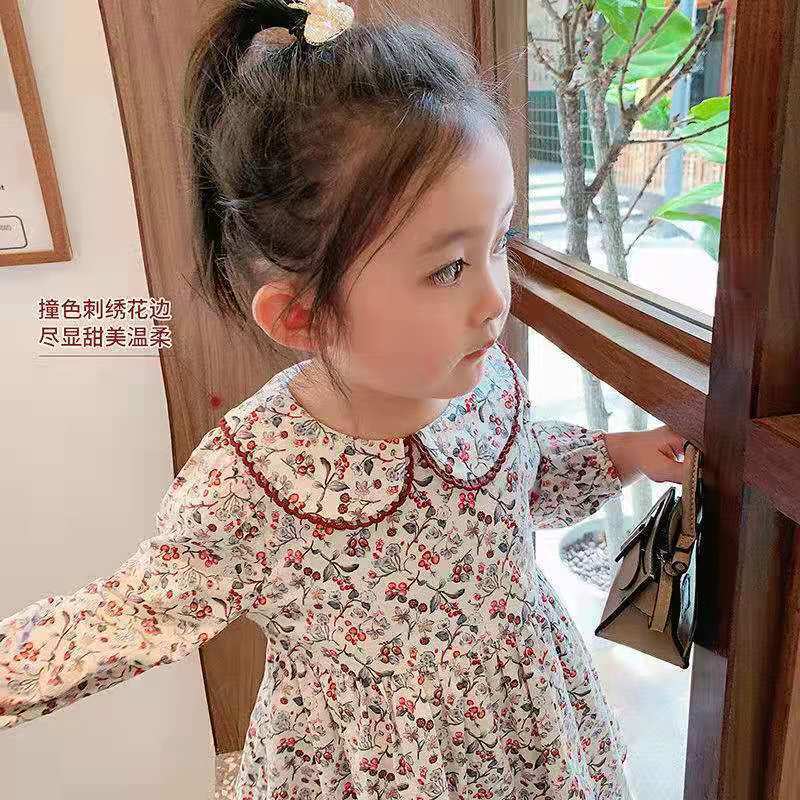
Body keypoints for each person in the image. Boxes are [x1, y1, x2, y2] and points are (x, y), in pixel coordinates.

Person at [1, 1, 689, 797]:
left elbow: (520, 476)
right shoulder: (252, 477)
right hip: (377, 765)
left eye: (497, 241)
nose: (495, 298)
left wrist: (620, 454)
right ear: (301, 317)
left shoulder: (486, 377)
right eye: (447, 268)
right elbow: (130, 615)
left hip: (526, 722)